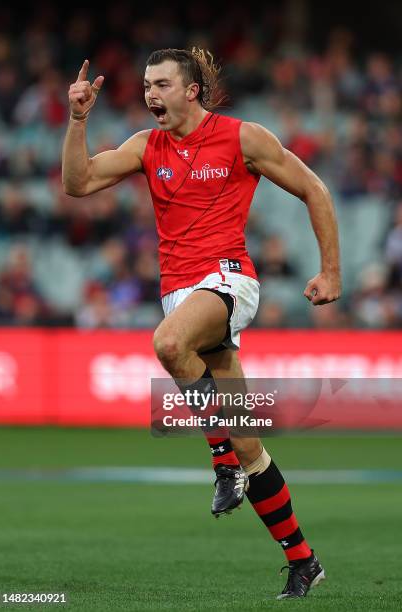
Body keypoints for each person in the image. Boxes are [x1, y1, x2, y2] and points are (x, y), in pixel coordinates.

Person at [62, 48, 341, 599]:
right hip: (180, 292)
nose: (150, 95)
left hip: (229, 279)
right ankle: (302, 558)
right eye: (146, 85)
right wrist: (77, 120)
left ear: (191, 90)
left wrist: (330, 271)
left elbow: (316, 189)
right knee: (249, 445)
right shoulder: (147, 146)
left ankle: (218, 461)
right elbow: (78, 184)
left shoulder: (243, 138)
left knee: (167, 345)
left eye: (161, 84)